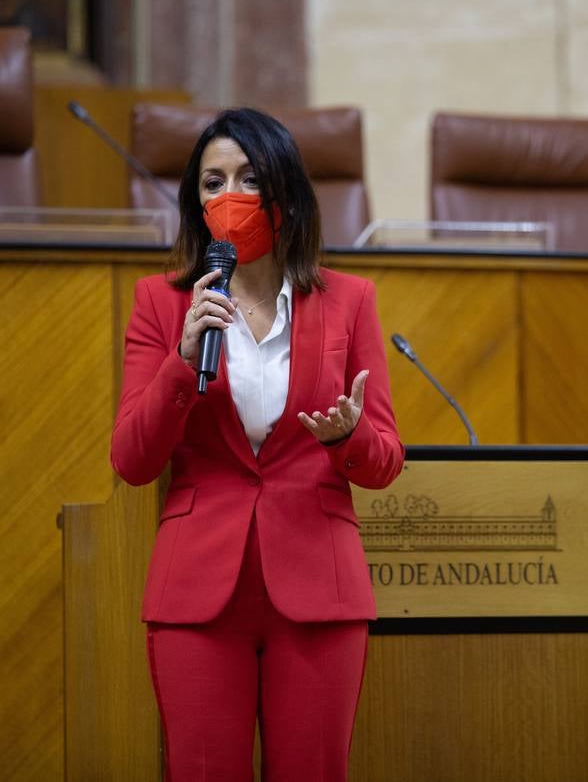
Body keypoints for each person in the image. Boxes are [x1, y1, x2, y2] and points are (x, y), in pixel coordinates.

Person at [111, 107, 404, 781]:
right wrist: (182, 362)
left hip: (318, 587)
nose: (229, 196)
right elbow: (132, 460)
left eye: (248, 178)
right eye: (212, 182)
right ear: (195, 201)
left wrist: (347, 435)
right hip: (198, 593)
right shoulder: (161, 304)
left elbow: (385, 459)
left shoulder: (349, 301)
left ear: (286, 196)